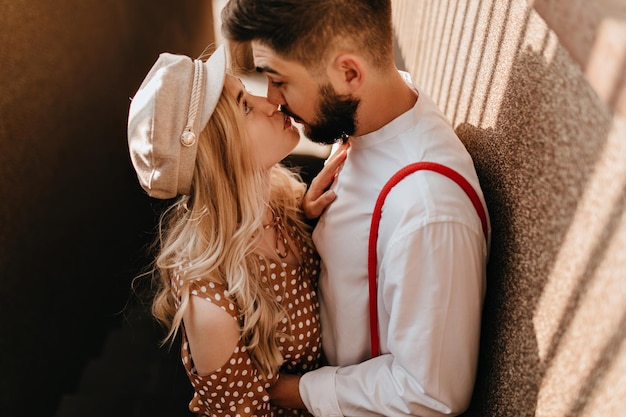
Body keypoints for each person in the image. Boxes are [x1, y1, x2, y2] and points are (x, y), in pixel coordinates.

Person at [221, 1, 491, 416]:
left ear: (349, 73)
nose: (272, 99)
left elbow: (429, 393)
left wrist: (289, 392)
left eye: (279, 81)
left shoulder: (426, 211)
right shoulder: (364, 119)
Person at [127, 45, 346, 416]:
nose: (269, 102)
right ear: (219, 153)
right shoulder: (210, 300)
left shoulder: (282, 203)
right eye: (244, 105)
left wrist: (306, 218)